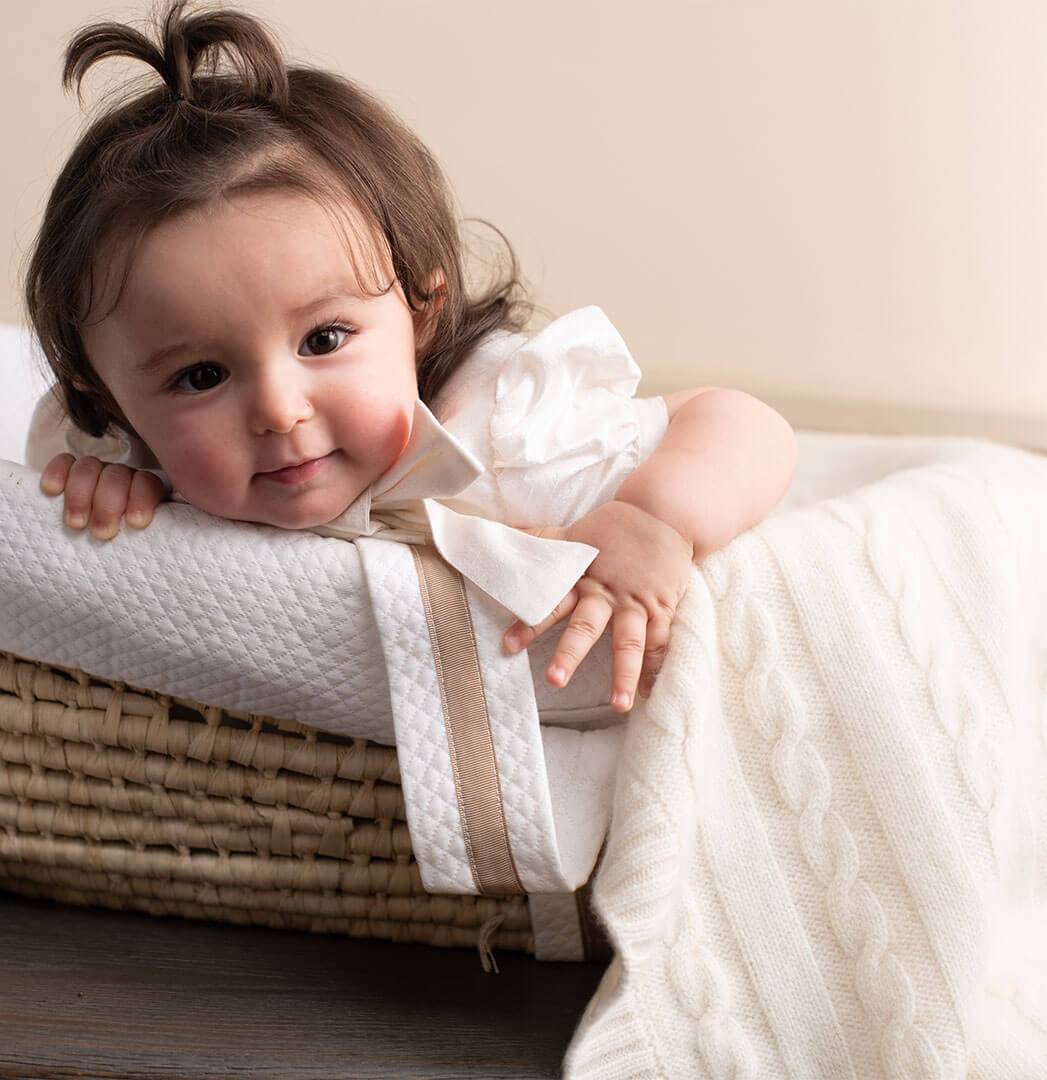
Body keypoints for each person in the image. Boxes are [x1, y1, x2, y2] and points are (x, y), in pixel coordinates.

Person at [25, 0, 798, 714]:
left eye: (324, 339)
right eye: (201, 377)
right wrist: (112, 491)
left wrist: (655, 518)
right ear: (113, 401)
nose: (279, 411)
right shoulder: (138, 461)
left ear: (421, 311)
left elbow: (741, 421)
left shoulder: (507, 432)